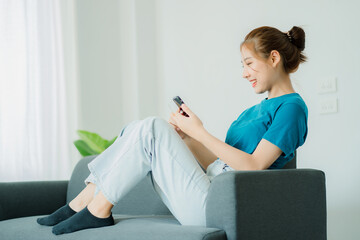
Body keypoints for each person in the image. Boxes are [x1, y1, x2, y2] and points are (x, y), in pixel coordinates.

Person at [37, 26, 308, 235]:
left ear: (274, 58)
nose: (244, 73)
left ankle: (97, 208)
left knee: (151, 127)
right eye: (243, 65)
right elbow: (220, 163)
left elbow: (253, 167)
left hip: (219, 207)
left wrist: (200, 132)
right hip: (210, 188)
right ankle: (83, 201)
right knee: (144, 128)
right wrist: (188, 137)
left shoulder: (291, 108)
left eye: (249, 63)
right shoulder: (254, 111)